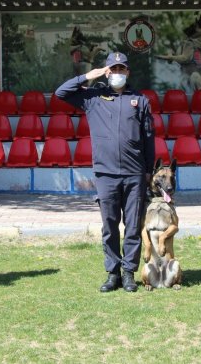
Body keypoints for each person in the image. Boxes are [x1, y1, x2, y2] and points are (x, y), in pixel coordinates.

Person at [55, 51, 155, 293]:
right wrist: (88, 75)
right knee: (109, 226)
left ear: (128, 72)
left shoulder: (140, 100)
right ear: (107, 71)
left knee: (132, 226)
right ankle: (113, 273)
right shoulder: (93, 97)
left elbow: (149, 138)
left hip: (134, 174)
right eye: (113, 69)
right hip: (106, 174)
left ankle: (129, 272)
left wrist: (148, 172)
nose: (117, 73)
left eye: (122, 69)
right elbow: (61, 93)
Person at [156, 16, 201, 91]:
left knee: (194, 76)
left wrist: (170, 57)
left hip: (195, 78)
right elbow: (180, 58)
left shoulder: (194, 43)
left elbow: (185, 58)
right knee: (184, 81)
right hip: (186, 77)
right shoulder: (187, 43)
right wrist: (171, 56)